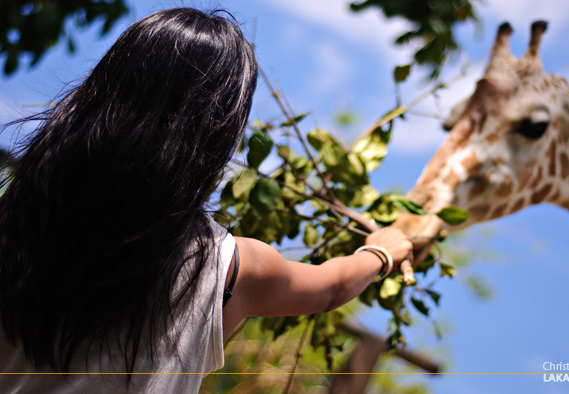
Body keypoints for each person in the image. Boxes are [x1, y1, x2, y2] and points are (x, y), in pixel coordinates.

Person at [0, 7, 413, 394]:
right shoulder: (228, 268)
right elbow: (332, 288)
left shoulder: (15, 218)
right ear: (217, 132)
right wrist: (383, 251)